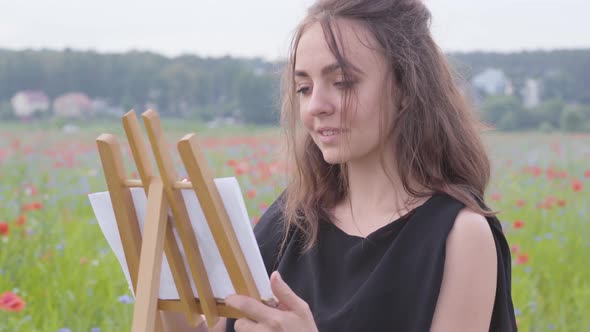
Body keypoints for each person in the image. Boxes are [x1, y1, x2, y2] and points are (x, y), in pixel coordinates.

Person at [162, 0, 517, 331]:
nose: (316, 105)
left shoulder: (460, 236)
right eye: (303, 87)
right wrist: (168, 267)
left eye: (343, 83)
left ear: (407, 87)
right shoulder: (292, 219)